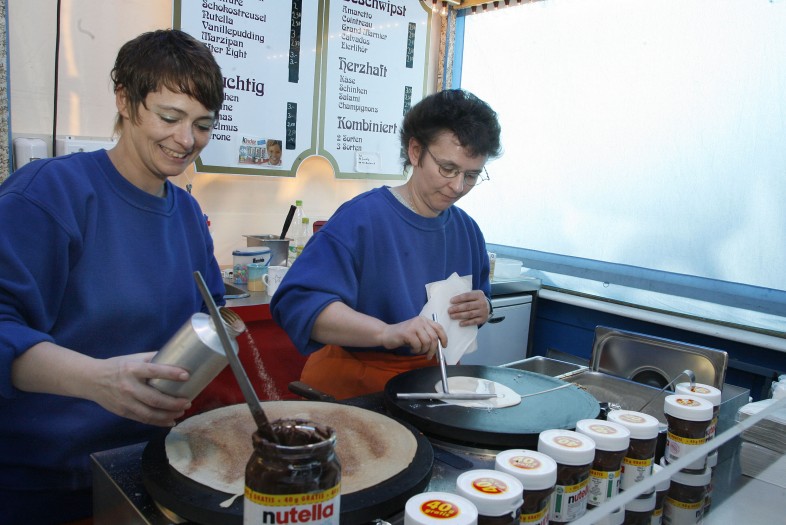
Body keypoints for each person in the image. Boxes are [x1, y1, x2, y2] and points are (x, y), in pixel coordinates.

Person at [0, 29, 226, 523]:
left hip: (151, 469)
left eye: (203, 124)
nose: (186, 140)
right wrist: (98, 380)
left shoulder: (188, 215)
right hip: (43, 484)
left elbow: (210, 315)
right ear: (125, 100)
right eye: (170, 117)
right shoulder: (48, 195)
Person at [271, 89, 501, 399]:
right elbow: (298, 305)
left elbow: (480, 297)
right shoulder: (362, 219)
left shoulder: (467, 231)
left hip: (435, 385)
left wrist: (483, 308)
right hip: (357, 389)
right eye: (447, 169)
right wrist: (386, 332)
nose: (458, 186)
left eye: (471, 175)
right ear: (415, 151)